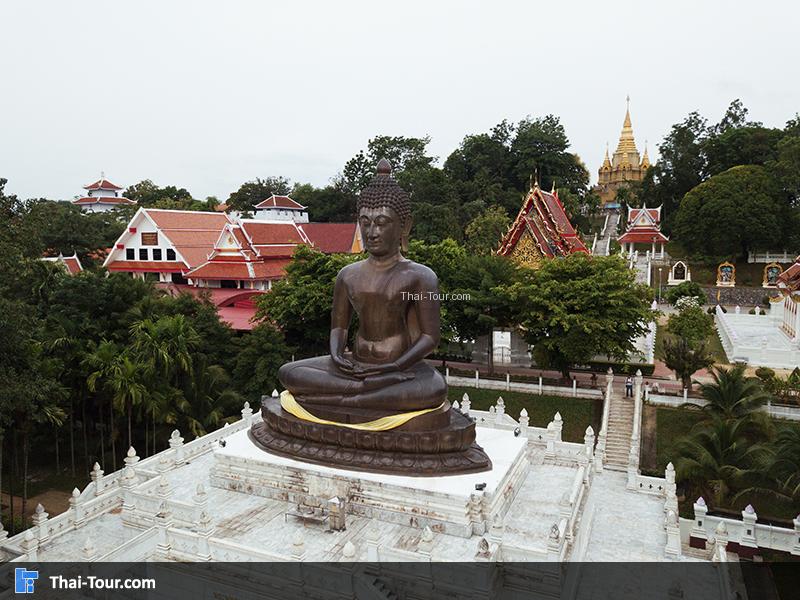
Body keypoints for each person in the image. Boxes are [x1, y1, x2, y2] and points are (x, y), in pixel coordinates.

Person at [277, 159, 446, 412]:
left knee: (434, 388)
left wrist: (396, 366)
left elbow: (430, 337)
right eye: (365, 222)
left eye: (381, 222)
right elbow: (339, 327)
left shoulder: (420, 276)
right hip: (354, 364)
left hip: (400, 366)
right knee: (289, 372)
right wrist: (336, 355)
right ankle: (363, 393)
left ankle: (340, 399)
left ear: (404, 226)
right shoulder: (348, 274)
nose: (372, 232)